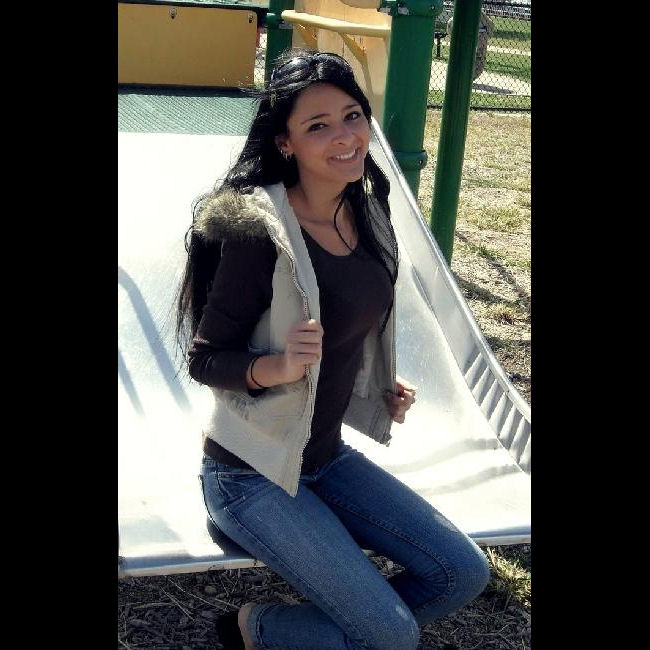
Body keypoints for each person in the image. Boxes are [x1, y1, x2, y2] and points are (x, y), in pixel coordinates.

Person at [176, 48, 489, 650]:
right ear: (285, 143)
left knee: (461, 574)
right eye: (317, 126)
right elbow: (206, 359)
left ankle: (324, 627)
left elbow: (354, 323)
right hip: (250, 476)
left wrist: (380, 385)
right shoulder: (259, 231)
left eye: (352, 116)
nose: (345, 137)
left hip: (325, 459)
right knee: (392, 637)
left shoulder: (365, 209)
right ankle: (254, 628)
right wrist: (278, 366)